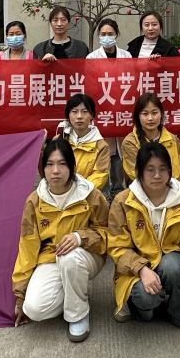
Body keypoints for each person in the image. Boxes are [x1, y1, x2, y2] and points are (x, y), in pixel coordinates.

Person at [107, 142, 180, 334]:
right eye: (150, 169)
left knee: (174, 266)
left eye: (162, 169)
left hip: (169, 262)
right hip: (136, 269)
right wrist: (142, 269)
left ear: (170, 171)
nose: (157, 175)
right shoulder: (123, 201)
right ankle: (142, 304)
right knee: (145, 299)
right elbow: (117, 247)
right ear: (139, 172)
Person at [11, 138, 109, 342]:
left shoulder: (90, 194)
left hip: (87, 256)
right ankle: (76, 289)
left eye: (62, 164)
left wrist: (80, 237)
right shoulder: (34, 201)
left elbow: (109, 233)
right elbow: (27, 247)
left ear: (72, 167)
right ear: (42, 169)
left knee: (69, 257)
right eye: (50, 164)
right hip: (51, 258)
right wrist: (20, 296)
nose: (56, 171)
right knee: (34, 309)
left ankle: (78, 314)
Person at [119, 93, 180, 197]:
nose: (150, 118)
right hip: (142, 197)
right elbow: (141, 178)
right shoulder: (130, 143)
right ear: (138, 117)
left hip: (174, 195)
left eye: (154, 113)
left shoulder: (172, 139)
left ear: (161, 114)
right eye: (145, 114)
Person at [56, 93, 110, 191]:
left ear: (92, 115)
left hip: (87, 194)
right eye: (74, 112)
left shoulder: (101, 146)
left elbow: (99, 175)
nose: (79, 116)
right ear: (68, 115)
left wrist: (78, 191)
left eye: (85, 112)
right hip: (60, 191)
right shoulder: (59, 140)